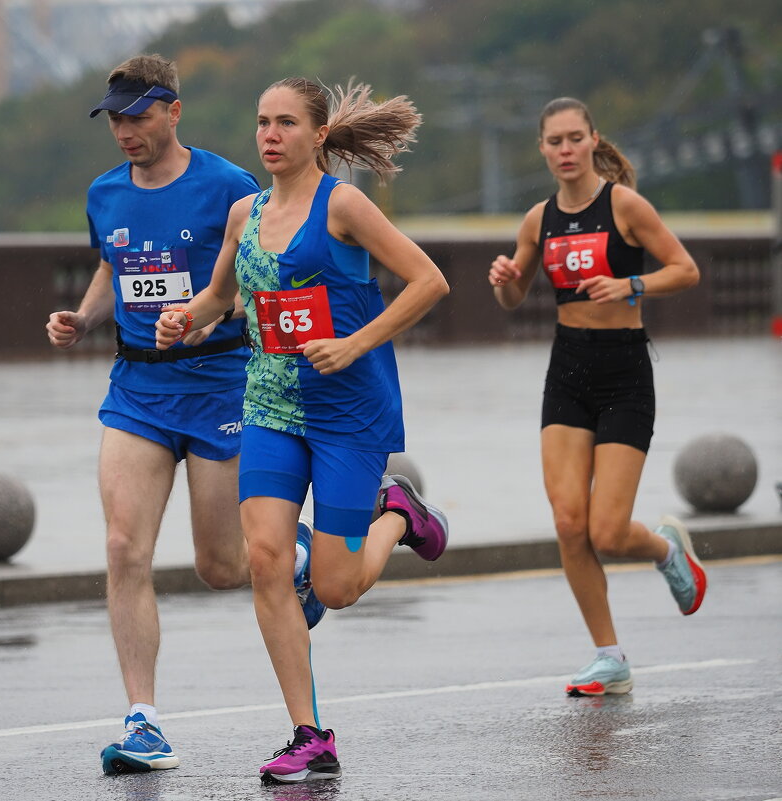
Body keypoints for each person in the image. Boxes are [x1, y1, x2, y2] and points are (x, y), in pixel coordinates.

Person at [156, 77, 450, 783]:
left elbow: (428, 281)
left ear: (318, 135)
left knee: (337, 586)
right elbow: (224, 297)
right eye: (262, 122)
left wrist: (353, 344)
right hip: (270, 405)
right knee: (264, 559)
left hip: (348, 413)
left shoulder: (342, 205)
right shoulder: (242, 215)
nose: (270, 134)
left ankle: (396, 512)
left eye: (286, 122)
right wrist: (185, 317)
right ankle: (308, 733)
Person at [45, 54, 263, 775]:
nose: (124, 130)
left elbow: (251, 280)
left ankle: (289, 560)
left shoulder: (230, 186)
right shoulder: (103, 193)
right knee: (121, 548)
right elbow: (114, 265)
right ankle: (143, 719)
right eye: (114, 117)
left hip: (218, 386)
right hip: (137, 390)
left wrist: (207, 313)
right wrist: (81, 315)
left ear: (173, 110)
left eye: (137, 115)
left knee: (221, 566)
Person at [488, 97, 706, 697]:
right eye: (553, 140)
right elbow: (515, 300)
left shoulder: (624, 206)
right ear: (542, 148)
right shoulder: (538, 219)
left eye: (574, 138)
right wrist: (507, 282)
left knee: (607, 531)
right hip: (568, 369)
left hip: (625, 373)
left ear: (592, 141)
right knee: (567, 521)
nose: (564, 150)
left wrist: (630, 282)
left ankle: (665, 550)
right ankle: (609, 656)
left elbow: (685, 269)